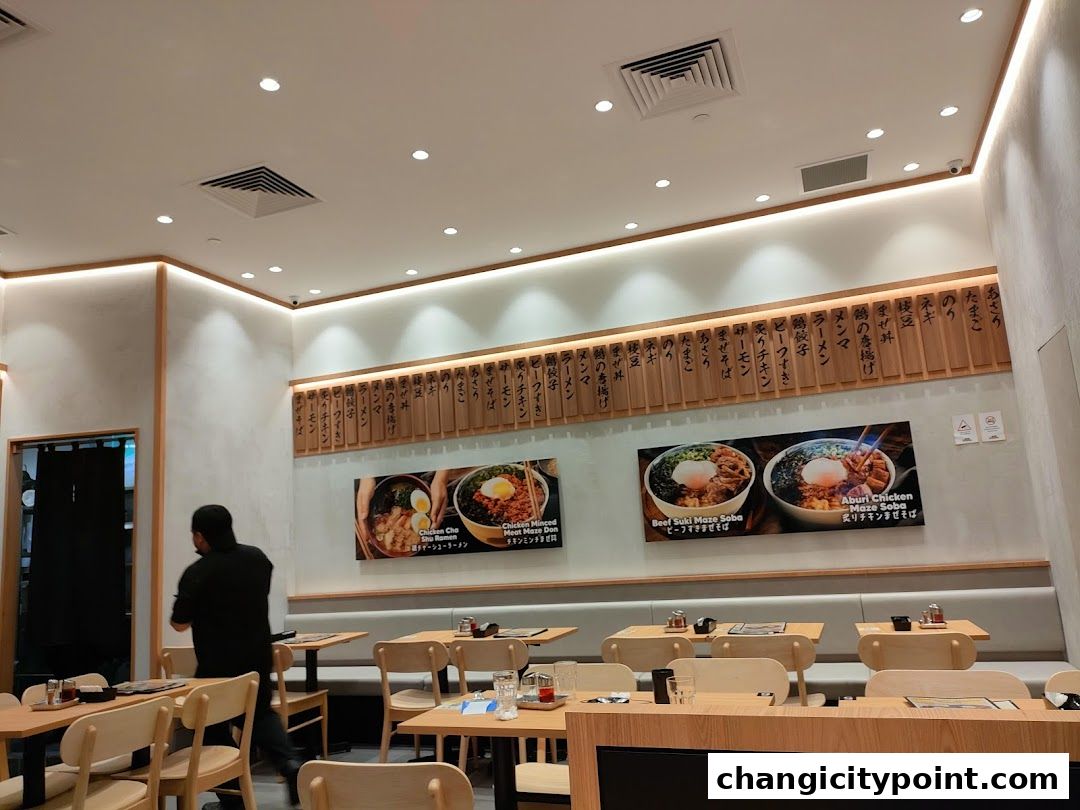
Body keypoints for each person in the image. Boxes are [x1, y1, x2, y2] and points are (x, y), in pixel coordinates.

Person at [170, 504, 303, 808]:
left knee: (210, 728)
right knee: (260, 715)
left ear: (200, 536)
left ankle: (234, 799)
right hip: (256, 656)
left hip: (217, 666)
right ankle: (290, 764)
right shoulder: (257, 559)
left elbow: (179, 624)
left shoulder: (197, 573)